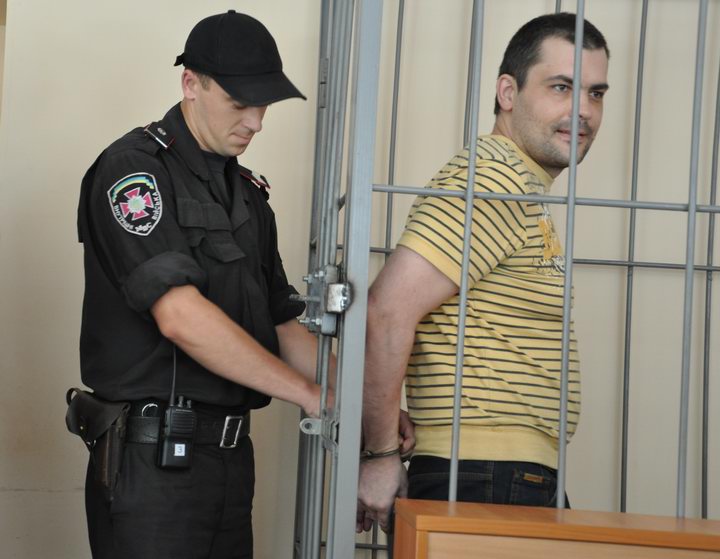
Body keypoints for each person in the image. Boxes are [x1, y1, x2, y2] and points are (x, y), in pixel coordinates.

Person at [76, 11, 324, 559]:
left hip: (230, 462)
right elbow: (179, 315)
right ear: (191, 84)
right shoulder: (135, 172)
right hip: (154, 465)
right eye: (240, 104)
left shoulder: (248, 195)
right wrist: (308, 395)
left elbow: (282, 323)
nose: (256, 122)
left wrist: (362, 406)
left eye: (264, 105)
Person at [356, 12, 610, 532]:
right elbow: (386, 309)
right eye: (561, 87)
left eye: (596, 93)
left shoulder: (517, 183)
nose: (583, 109)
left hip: (499, 472)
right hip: (484, 472)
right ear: (508, 92)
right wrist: (380, 454)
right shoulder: (494, 177)